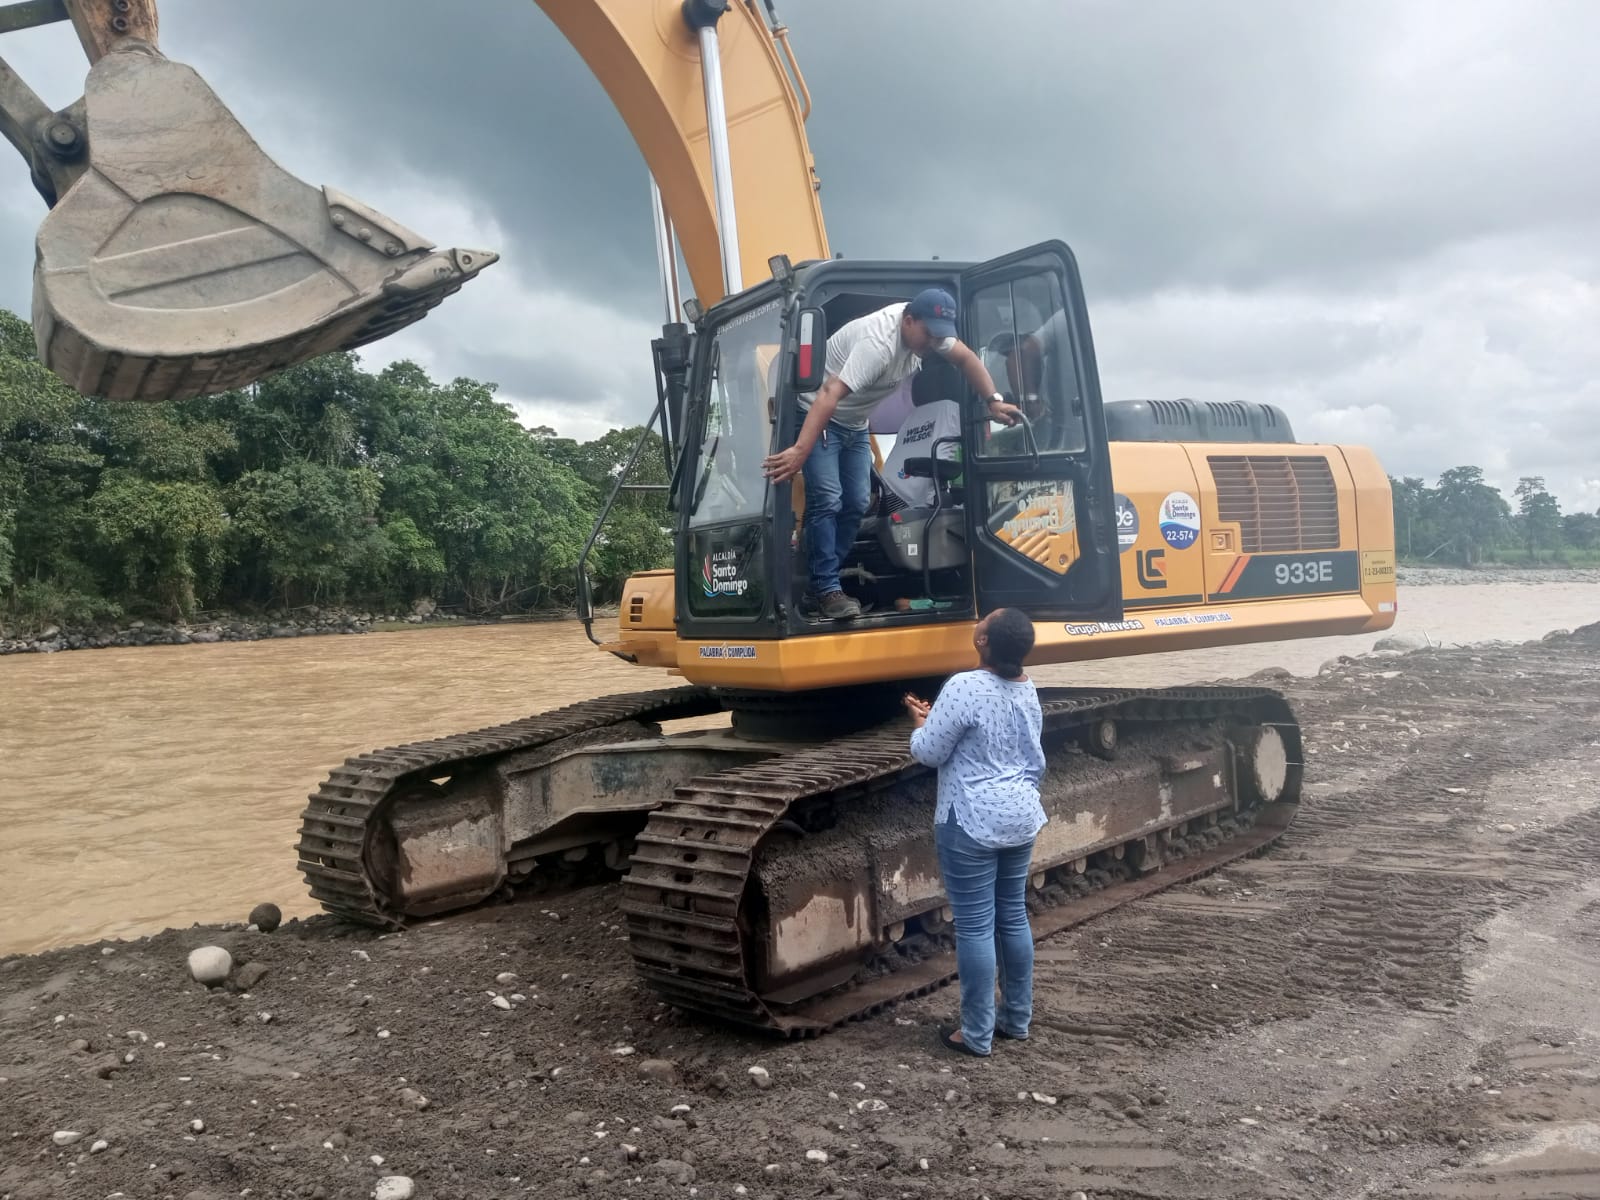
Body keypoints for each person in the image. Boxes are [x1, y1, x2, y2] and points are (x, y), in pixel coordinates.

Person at [763, 290, 1021, 621]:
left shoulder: (931, 333)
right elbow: (828, 394)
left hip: (854, 423)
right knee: (827, 497)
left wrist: (993, 401)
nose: (934, 343)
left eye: (940, 335)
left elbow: (967, 359)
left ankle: (817, 586)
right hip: (819, 413)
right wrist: (800, 450)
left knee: (857, 502)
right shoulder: (878, 345)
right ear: (908, 321)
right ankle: (826, 588)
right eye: (929, 334)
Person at [904, 608, 1046, 1057]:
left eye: (984, 620)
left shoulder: (963, 686)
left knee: (975, 928)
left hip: (970, 820)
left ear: (983, 641)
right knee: (1013, 916)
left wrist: (921, 725)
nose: (979, 619)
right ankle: (1016, 1021)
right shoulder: (1027, 687)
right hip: (1021, 814)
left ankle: (977, 1035)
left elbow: (929, 753)